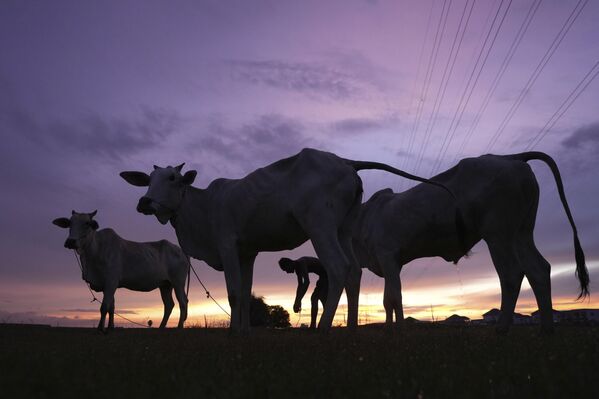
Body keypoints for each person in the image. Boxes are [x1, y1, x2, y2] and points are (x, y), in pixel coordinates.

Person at [278, 256, 328, 329]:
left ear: (289, 264)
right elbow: (300, 285)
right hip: (323, 277)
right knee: (317, 299)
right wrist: (297, 301)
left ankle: (320, 325)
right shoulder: (298, 269)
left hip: (327, 275)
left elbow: (307, 282)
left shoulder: (301, 263)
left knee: (316, 298)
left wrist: (298, 300)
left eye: (286, 269)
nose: (287, 272)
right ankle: (318, 325)